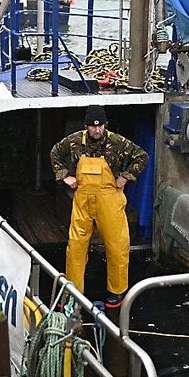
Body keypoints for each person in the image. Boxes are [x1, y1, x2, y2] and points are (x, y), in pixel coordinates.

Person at [50, 105, 147, 308]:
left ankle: (117, 291)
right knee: (75, 247)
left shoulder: (117, 142)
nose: (97, 130)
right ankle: (73, 292)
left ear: (105, 125)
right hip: (83, 201)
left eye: (100, 126)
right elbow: (55, 153)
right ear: (87, 127)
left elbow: (141, 156)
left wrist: (126, 177)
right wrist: (65, 176)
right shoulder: (75, 141)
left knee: (117, 246)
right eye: (93, 126)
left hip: (109, 201)